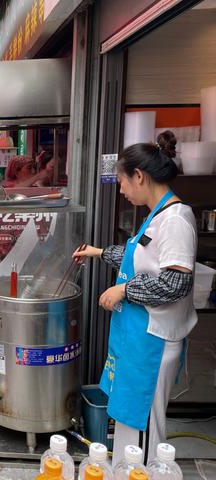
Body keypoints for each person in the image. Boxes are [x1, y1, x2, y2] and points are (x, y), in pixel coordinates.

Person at [73, 131, 196, 466]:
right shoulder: (156, 215)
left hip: (154, 343)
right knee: (129, 421)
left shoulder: (175, 220)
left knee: (141, 426)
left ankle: (139, 473)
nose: (123, 190)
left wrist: (122, 290)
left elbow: (175, 284)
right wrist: (99, 253)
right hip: (139, 336)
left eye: (123, 183)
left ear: (139, 176)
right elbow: (139, 258)